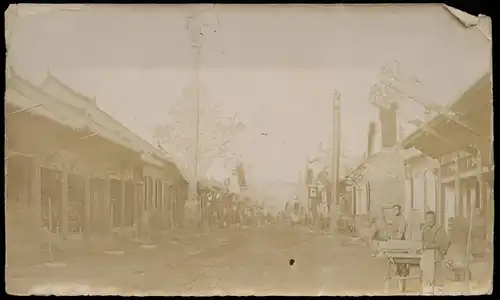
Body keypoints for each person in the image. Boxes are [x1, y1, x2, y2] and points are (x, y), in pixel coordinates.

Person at [420, 211, 449, 295]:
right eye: (427, 218)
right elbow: (422, 241)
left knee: (437, 278)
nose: (429, 220)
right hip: (427, 257)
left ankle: (438, 291)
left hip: (437, 256)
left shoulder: (440, 229)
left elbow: (441, 243)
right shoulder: (425, 229)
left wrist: (428, 246)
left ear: (435, 219)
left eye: (431, 218)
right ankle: (428, 291)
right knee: (427, 277)